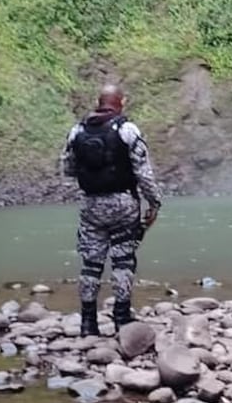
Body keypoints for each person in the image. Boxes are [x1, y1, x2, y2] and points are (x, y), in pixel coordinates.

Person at [60, 84, 163, 336]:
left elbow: (68, 169)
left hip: (91, 206)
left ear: (99, 102)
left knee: (90, 263)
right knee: (123, 260)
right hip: (124, 205)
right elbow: (143, 173)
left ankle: (88, 323)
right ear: (121, 102)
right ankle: (121, 317)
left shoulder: (77, 131)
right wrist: (154, 202)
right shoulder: (128, 130)